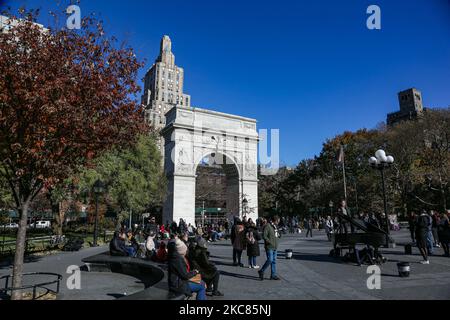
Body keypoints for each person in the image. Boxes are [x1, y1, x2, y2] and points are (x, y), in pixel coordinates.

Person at [258, 215, 281, 281]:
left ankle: (273, 275)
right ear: (275, 220)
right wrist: (270, 242)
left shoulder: (275, 226)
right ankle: (261, 271)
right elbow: (264, 236)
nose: (279, 222)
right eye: (278, 221)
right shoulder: (268, 226)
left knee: (274, 261)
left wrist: (279, 234)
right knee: (270, 260)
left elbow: (276, 235)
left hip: (275, 246)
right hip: (269, 246)